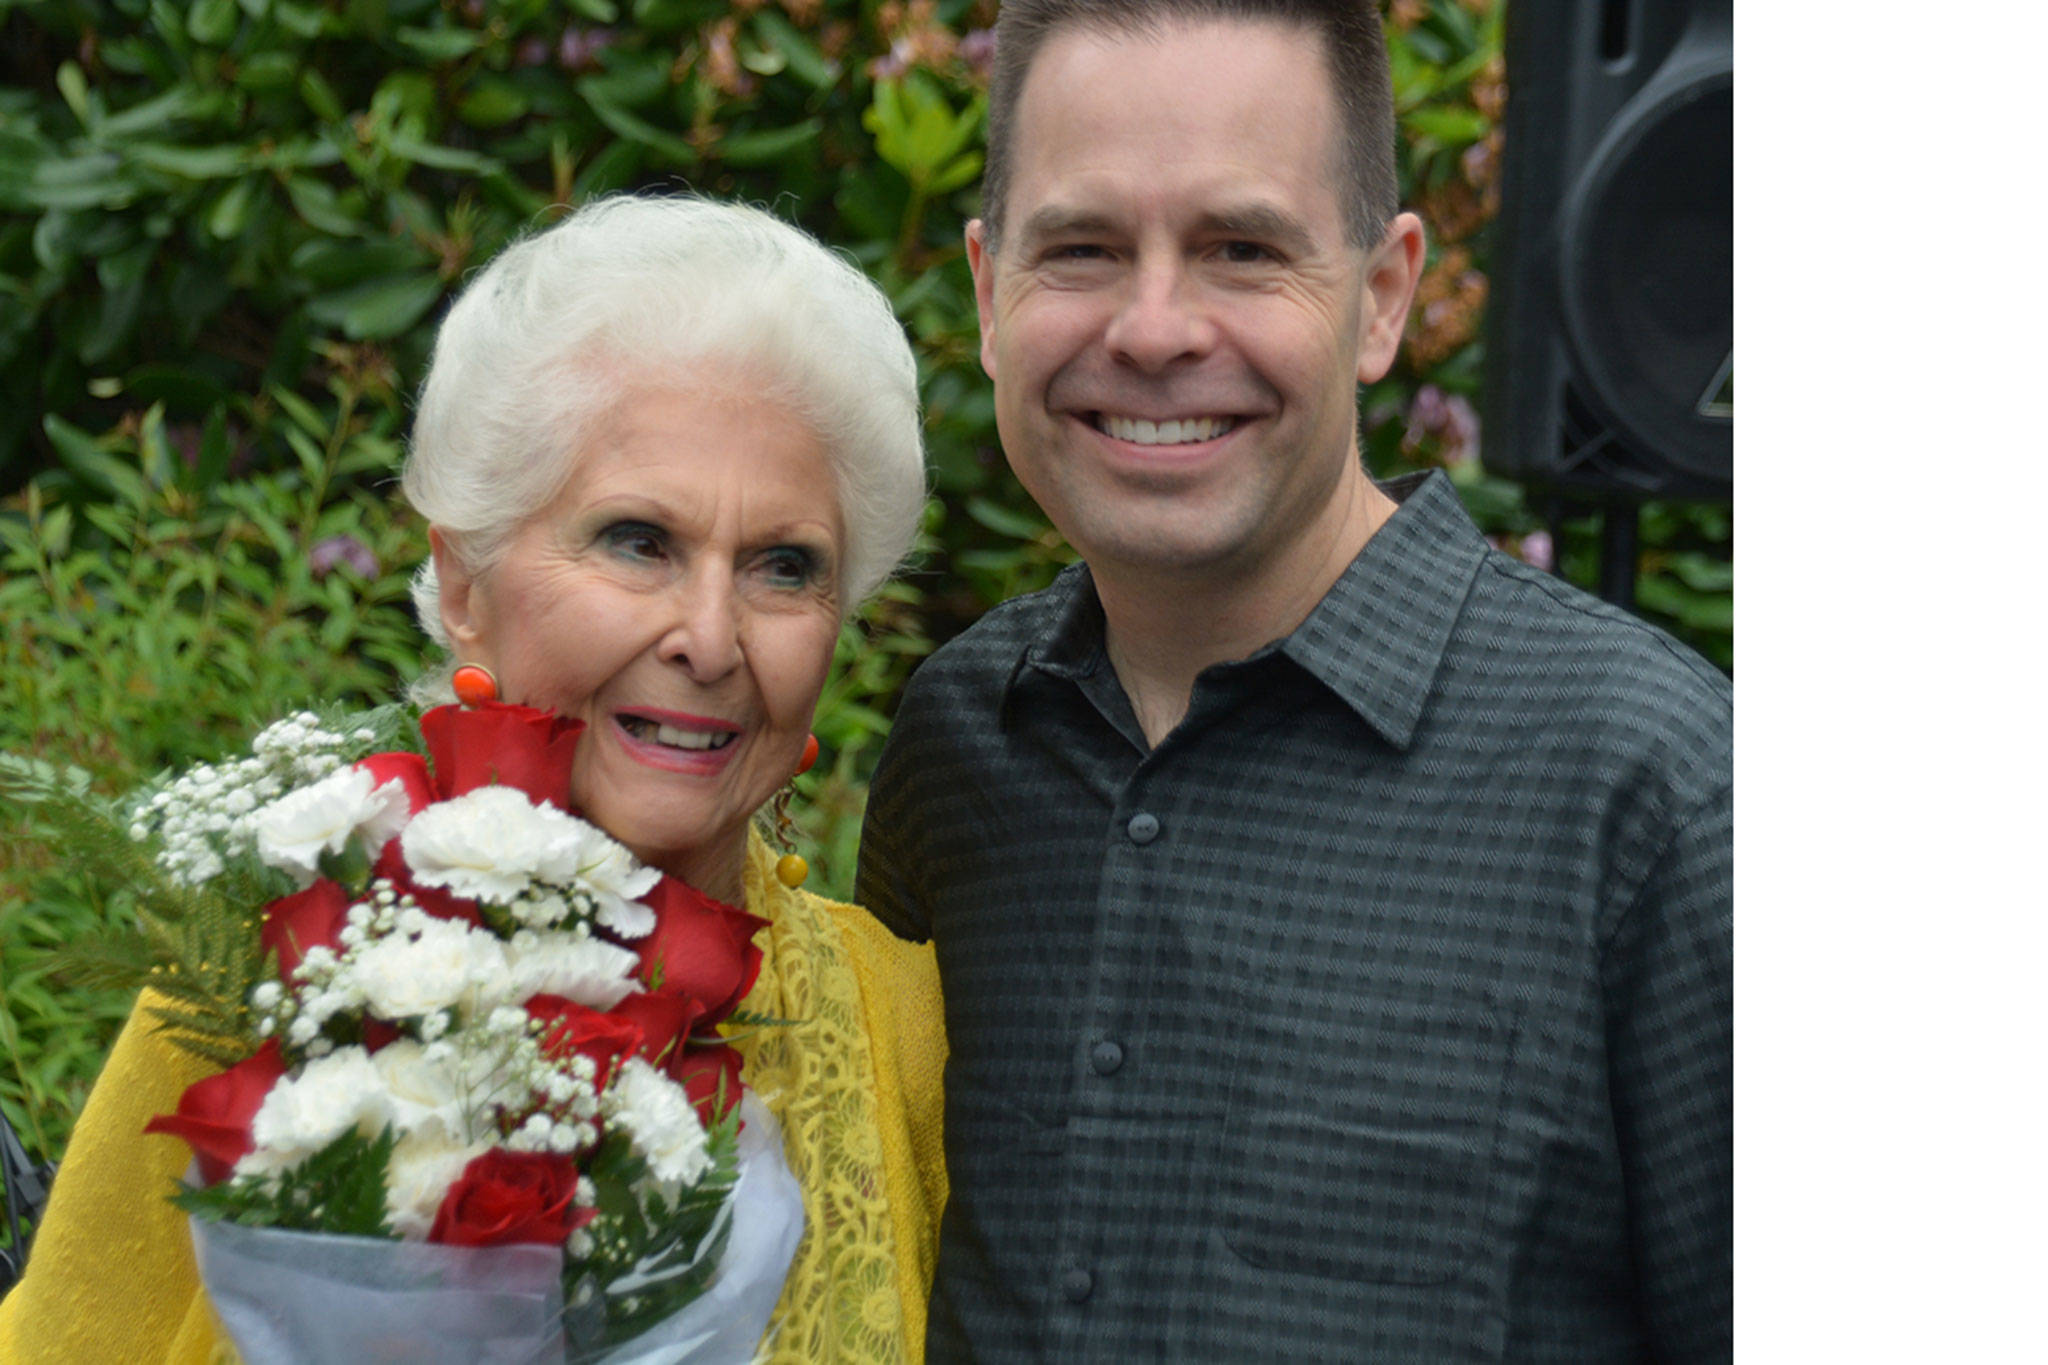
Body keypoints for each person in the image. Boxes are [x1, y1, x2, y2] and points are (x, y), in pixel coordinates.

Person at [855, 2, 1733, 1361]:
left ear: (1381, 296)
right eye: (1081, 249)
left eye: (1241, 249)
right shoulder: (961, 748)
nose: (1152, 330)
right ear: (986, 292)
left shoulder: (1652, 789)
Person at [0, 196, 948, 1364]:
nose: (710, 636)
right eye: (636, 540)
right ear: (461, 586)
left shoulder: (910, 1029)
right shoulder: (268, 965)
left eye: (783, 567)